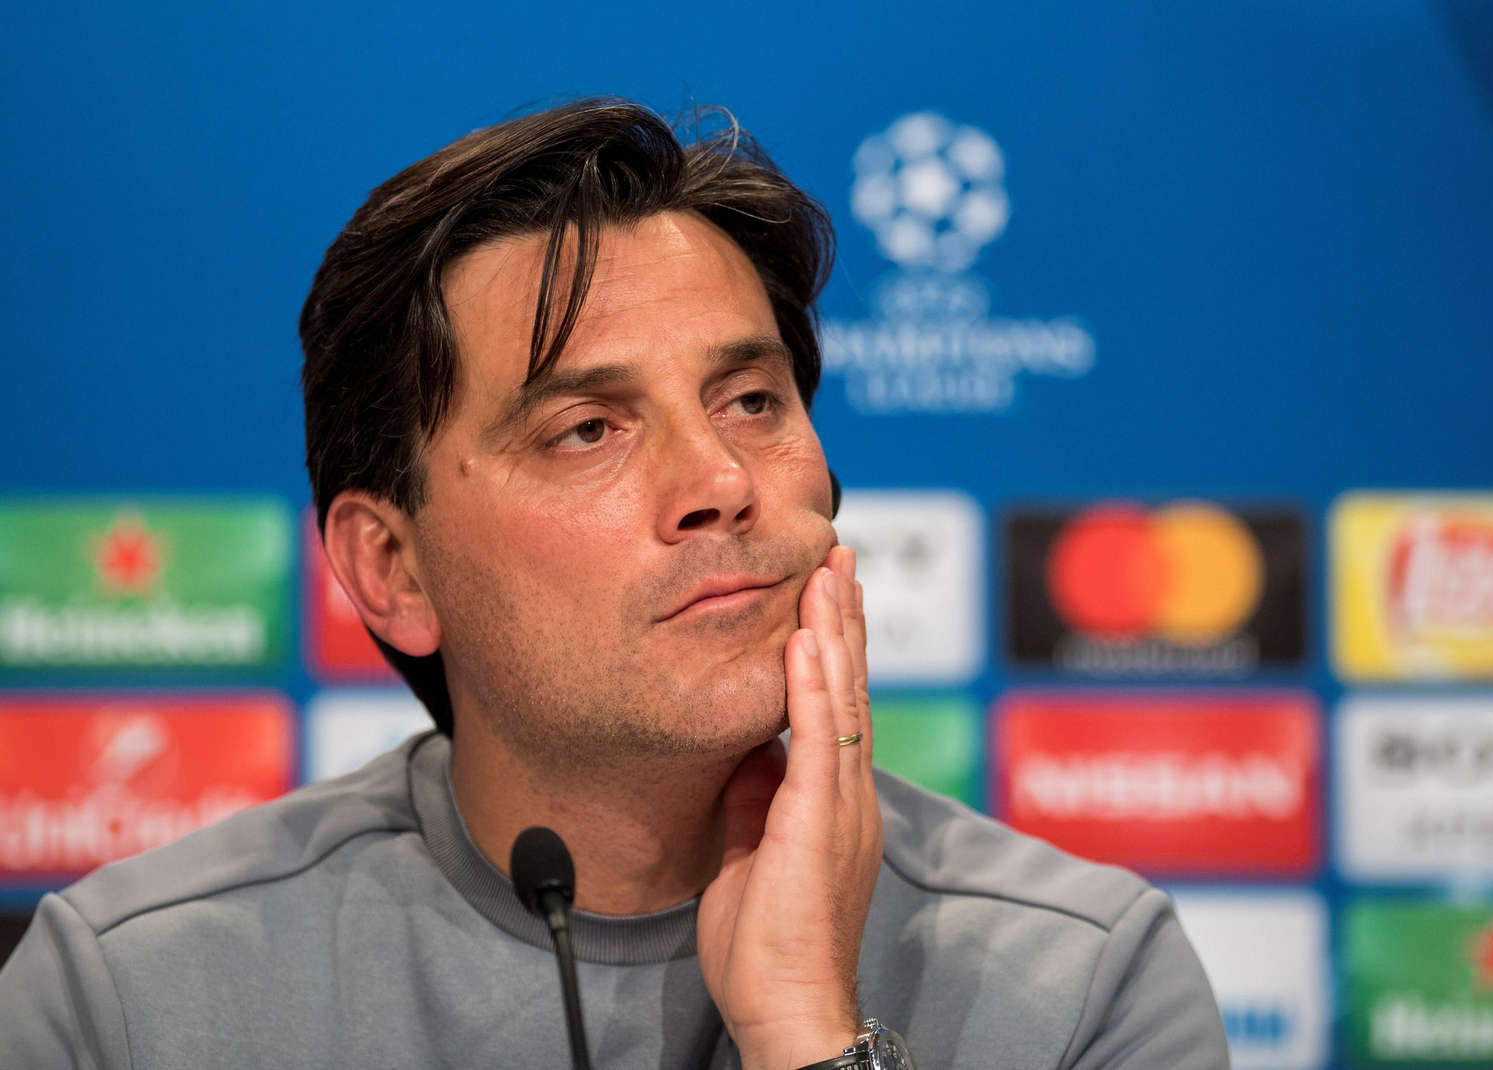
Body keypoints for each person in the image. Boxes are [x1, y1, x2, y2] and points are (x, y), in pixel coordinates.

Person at [0, 99, 1228, 1069]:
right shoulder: (124, 997)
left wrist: (809, 1030)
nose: (719, 480)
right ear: (392, 566)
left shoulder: (1085, 983)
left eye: (752, 401)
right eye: (588, 427)